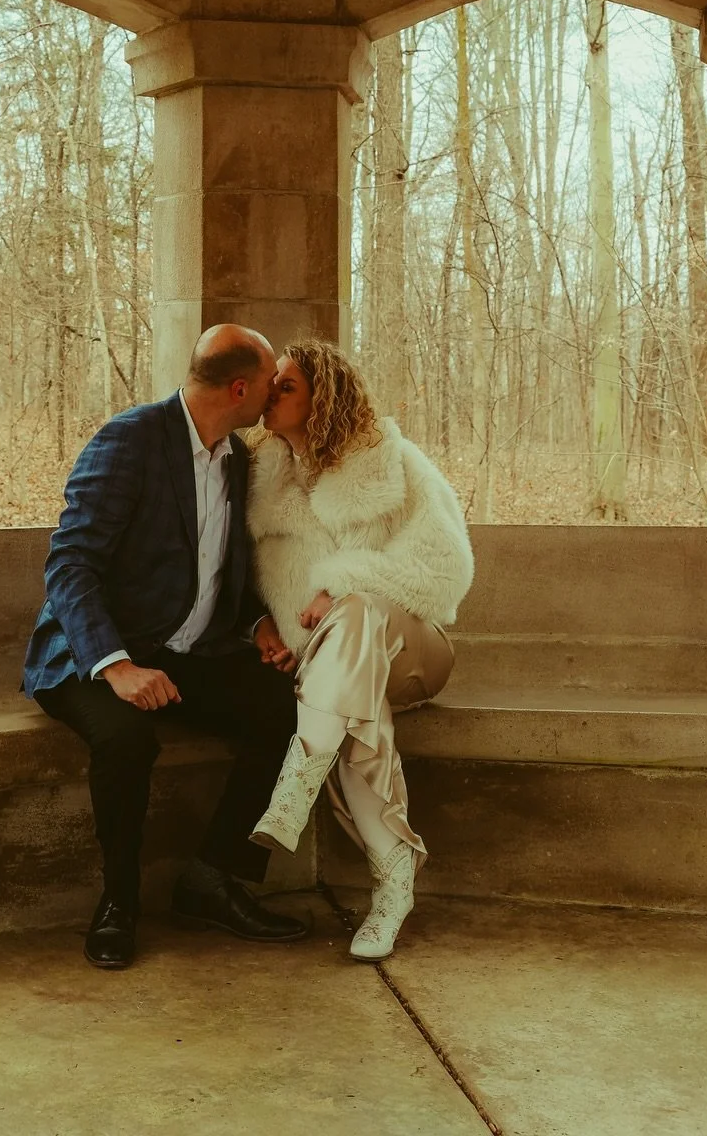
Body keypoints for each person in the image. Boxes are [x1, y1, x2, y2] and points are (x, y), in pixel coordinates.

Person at [25, 324, 311, 971]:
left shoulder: (238, 462)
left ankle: (210, 880)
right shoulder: (131, 440)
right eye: (269, 386)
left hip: (184, 652)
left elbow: (218, 571)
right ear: (239, 387)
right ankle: (119, 903)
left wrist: (257, 626)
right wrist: (118, 665)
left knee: (286, 706)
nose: (272, 399)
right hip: (89, 655)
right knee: (127, 740)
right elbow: (70, 565)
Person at [245, 339, 474, 960]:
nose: (271, 395)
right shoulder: (262, 482)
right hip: (334, 665)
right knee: (351, 715)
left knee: (357, 609)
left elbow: (447, 571)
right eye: (270, 386)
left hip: (414, 651)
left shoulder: (390, 462)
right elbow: (246, 589)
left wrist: (340, 586)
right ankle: (393, 889)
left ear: (325, 397)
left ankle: (299, 776)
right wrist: (265, 630)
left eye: (286, 386)